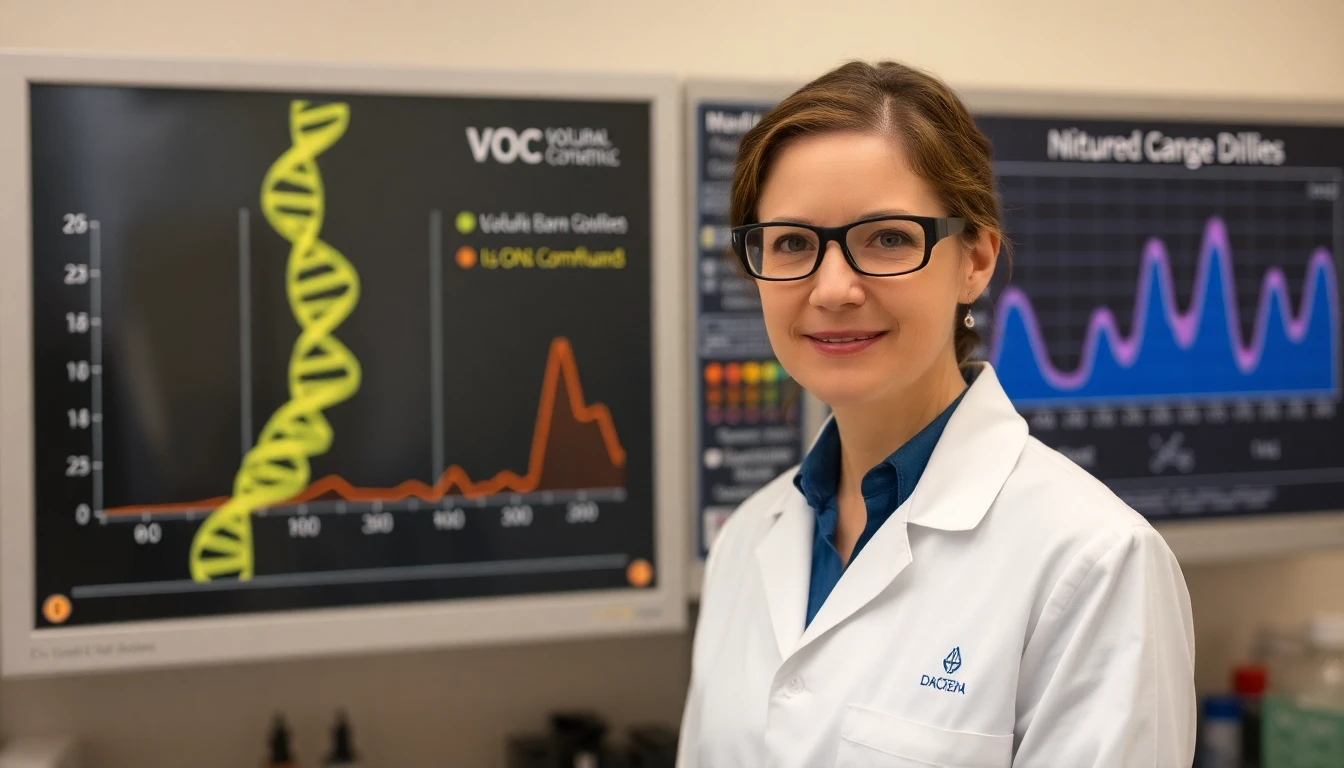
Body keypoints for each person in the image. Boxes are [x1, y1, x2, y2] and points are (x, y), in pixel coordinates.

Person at [676, 60, 1196, 767]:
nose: (832, 288)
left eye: (887, 238)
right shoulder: (746, 543)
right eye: (793, 243)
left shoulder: (1094, 564)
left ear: (974, 261)